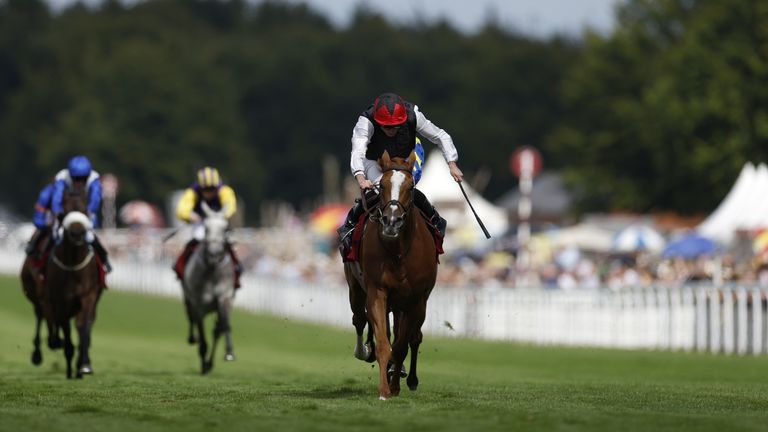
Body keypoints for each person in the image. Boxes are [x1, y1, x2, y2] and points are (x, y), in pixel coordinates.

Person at [337, 92, 464, 245]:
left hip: (405, 157)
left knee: (404, 188)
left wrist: (452, 164)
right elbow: (357, 151)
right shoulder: (365, 121)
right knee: (381, 189)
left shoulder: (414, 116)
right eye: (386, 127)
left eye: (395, 126)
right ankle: (349, 224)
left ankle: (436, 220)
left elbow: (440, 136)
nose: (391, 130)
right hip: (374, 159)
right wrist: (361, 178)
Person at [174, 166, 243, 289]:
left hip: (217, 222)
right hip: (200, 223)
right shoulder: (192, 192)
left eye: (212, 189)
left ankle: (236, 269)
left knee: (225, 244)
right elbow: (181, 210)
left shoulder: (225, 191)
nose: (209, 193)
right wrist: (191, 216)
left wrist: (219, 216)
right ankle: (180, 268)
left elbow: (231, 205)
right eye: (205, 189)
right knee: (196, 239)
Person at [50, 155, 113, 273]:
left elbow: (95, 198)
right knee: (55, 236)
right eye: (76, 179)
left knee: (90, 237)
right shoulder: (62, 177)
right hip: (65, 214)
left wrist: (89, 211)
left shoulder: (94, 179)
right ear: (70, 176)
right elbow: (56, 198)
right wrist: (58, 212)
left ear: (88, 176)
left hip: (85, 214)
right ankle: (41, 263)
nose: (79, 182)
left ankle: (104, 261)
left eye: (83, 178)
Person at [24, 181, 56, 258]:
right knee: (41, 231)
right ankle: (33, 246)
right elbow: (41, 206)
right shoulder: (49, 190)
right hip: (49, 216)